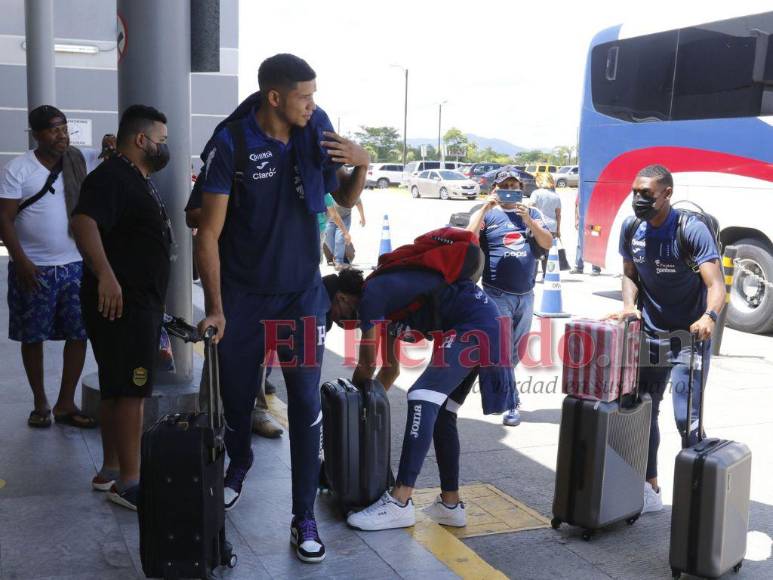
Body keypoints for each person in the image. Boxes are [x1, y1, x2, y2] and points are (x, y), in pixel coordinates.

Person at [195, 53, 368, 563]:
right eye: (303, 96)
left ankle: (303, 517)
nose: (313, 105)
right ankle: (240, 464)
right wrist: (216, 308)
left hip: (301, 297)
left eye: (315, 95)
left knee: (306, 405)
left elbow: (343, 194)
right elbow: (207, 232)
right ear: (275, 97)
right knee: (239, 396)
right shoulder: (232, 143)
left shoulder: (318, 130)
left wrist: (361, 162)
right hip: (245, 296)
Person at [323, 263, 514, 532]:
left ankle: (400, 502)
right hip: (481, 325)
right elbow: (389, 369)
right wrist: (365, 410)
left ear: (341, 297)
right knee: (443, 412)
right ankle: (450, 506)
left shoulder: (372, 296)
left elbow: (366, 366)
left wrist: (352, 405)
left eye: (334, 314)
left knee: (422, 396)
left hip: (474, 325)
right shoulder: (386, 307)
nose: (340, 322)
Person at [606, 164, 725, 514]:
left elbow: (717, 285)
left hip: (689, 338)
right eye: (635, 192)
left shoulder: (691, 230)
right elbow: (629, 274)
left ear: (667, 194)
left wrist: (709, 316)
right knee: (645, 411)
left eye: (647, 194)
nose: (638, 200)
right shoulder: (631, 227)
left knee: (685, 422)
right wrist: (629, 305)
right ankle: (650, 486)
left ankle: (696, 500)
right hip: (650, 337)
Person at [71, 104, 172, 511]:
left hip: (135, 302)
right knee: (133, 389)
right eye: (162, 140)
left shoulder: (136, 178)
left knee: (117, 386)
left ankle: (111, 469)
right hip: (124, 303)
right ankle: (131, 481)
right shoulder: (112, 176)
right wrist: (107, 275)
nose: (165, 147)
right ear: (141, 139)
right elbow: (82, 222)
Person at [0, 105, 109, 430]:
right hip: (33, 269)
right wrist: (21, 262)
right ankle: (40, 403)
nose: (61, 135)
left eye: (63, 128)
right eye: (52, 130)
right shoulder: (18, 168)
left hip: (75, 266)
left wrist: (109, 143)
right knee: (32, 337)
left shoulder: (78, 159)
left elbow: (106, 155)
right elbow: (4, 218)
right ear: (36, 134)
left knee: (79, 333)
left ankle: (65, 403)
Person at [185, 187, 284, 439]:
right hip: (228, 275)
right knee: (220, 344)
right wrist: (234, 215)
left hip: (265, 276)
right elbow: (193, 215)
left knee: (261, 347)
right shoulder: (224, 159)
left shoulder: (272, 161)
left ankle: (256, 410)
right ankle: (209, 415)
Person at [466, 169, 553, 427]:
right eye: (504, 185)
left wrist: (530, 222)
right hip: (496, 294)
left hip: (526, 295)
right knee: (503, 352)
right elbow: (467, 239)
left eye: (514, 185)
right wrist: (483, 209)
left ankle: (496, 386)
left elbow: (547, 243)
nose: (510, 189)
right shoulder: (487, 214)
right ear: (495, 188)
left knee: (516, 352)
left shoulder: (532, 213)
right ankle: (511, 403)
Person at [529, 172, 562, 278]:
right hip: (552, 227)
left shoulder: (536, 193)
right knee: (547, 252)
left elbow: (530, 208)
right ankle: (546, 275)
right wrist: (558, 230)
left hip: (538, 226)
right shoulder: (556, 196)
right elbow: (558, 215)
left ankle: (532, 276)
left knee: (535, 251)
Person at [324, 197, 364, 269]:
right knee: (328, 237)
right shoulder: (330, 191)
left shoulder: (349, 190)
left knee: (340, 238)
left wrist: (362, 217)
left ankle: (339, 261)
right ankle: (337, 257)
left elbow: (358, 202)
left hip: (345, 217)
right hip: (330, 217)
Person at [571, 190, 601, 275]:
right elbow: (576, 205)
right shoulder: (581, 190)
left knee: (595, 244)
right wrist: (576, 219)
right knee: (580, 243)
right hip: (583, 221)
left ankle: (596, 268)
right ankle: (578, 267)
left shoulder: (597, 189)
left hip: (596, 221)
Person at [318, 192, 351, 264]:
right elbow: (334, 215)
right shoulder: (324, 194)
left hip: (303, 229)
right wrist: (345, 233)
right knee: (315, 260)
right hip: (319, 229)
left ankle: (338, 260)